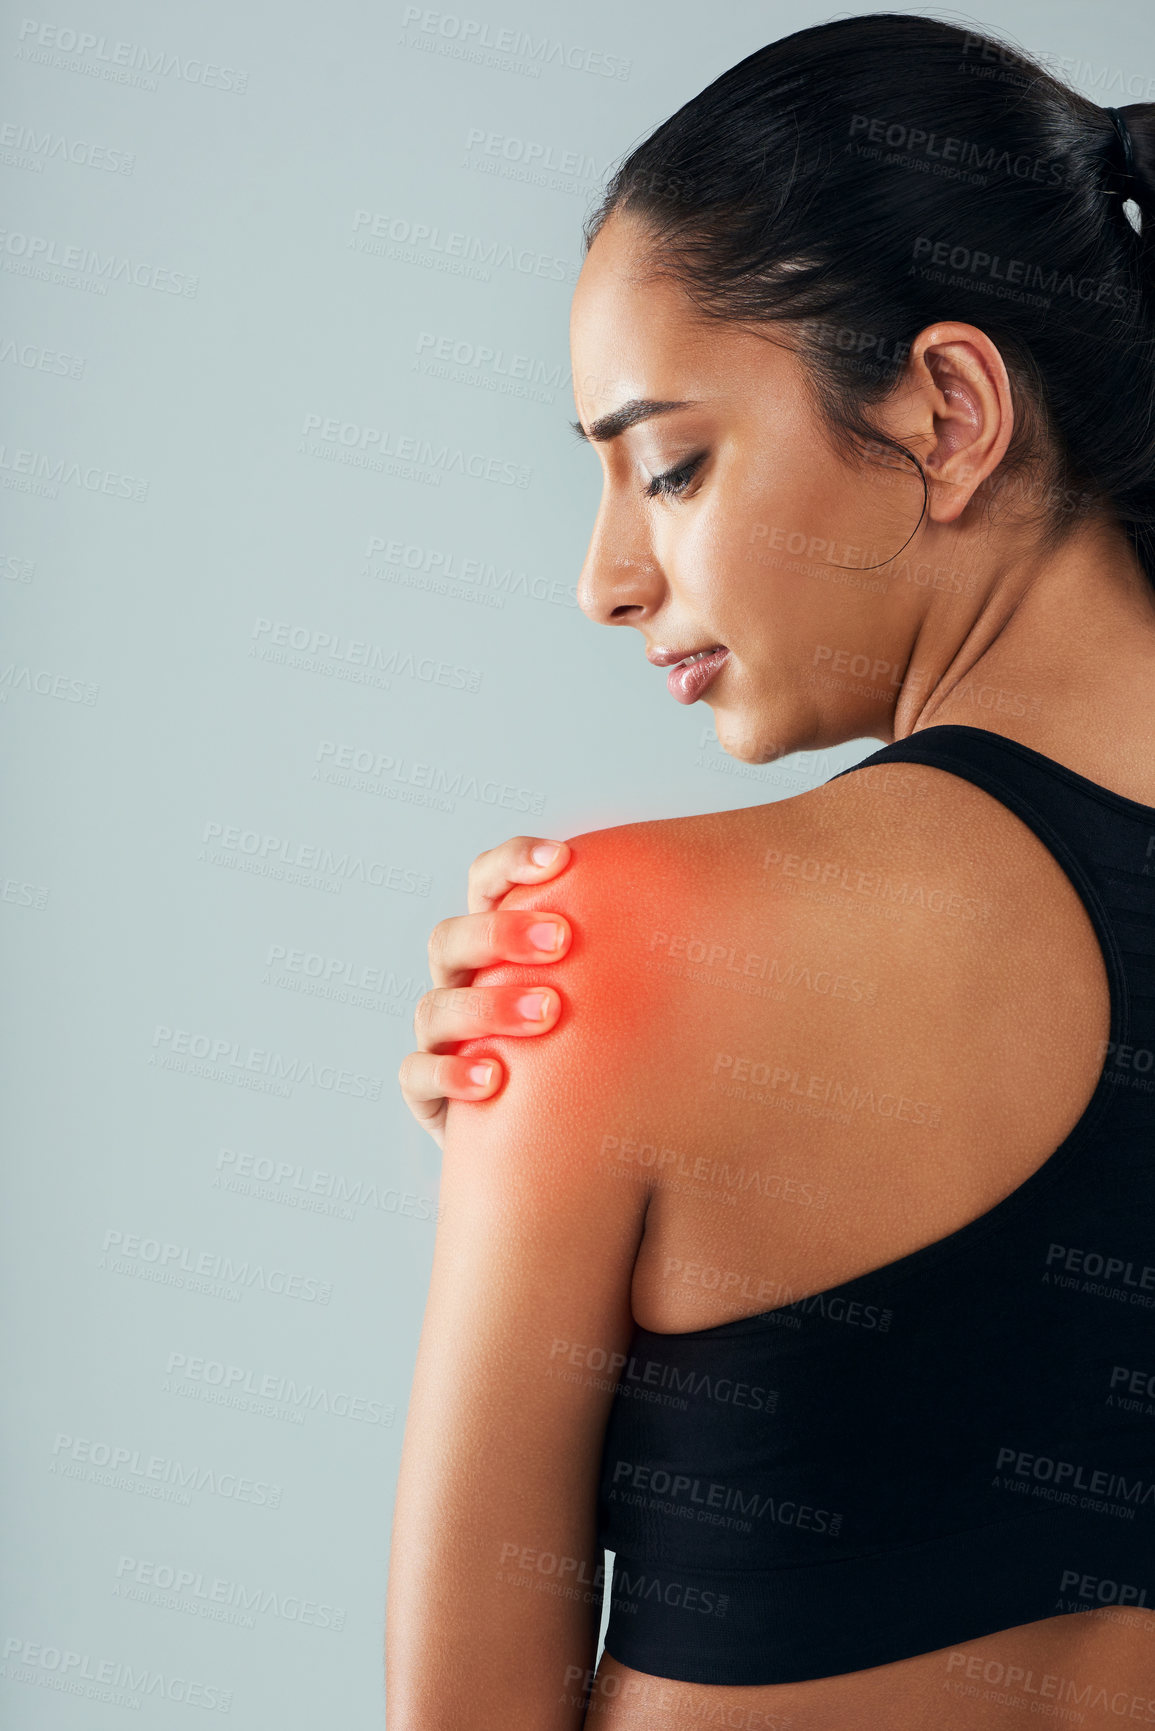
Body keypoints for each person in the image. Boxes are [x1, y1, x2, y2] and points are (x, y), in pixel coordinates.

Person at [387, 14, 1155, 1727]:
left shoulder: (609, 950)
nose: (607, 577)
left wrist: (570, 1084)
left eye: (670, 464)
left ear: (950, 409)